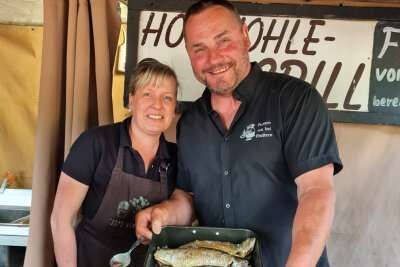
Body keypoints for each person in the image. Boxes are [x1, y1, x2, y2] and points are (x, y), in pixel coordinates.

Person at [135, 1, 343, 266]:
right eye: (199, 49)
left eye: (223, 41)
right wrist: (164, 212)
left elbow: (316, 191)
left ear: (245, 36)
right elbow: (187, 197)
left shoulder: (295, 100)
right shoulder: (190, 121)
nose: (213, 59)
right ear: (189, 54)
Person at [50, 58, 179, 267]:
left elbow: (183, 211)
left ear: (174, 108)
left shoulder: (177, 157)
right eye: (148, 94)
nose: (158, 104)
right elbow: (60, 220)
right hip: (88, 260)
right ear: (131, 100)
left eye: (167, 97)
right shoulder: (95, 143)